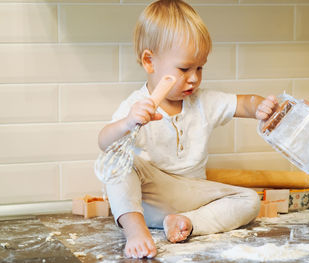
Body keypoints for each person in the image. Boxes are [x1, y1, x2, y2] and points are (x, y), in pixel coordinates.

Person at [97, 0, 278, 259]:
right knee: (118, 160)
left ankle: (186, 223)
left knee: (249, 201)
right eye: (184, 69)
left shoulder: (203, 103)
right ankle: (135, 231)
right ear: (150, 61)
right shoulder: (136, 106)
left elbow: (243, 103)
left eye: (199, 68)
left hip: (194, 196)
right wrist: (127, 123)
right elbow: (104, 142)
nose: (194, 78)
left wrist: (261, 106)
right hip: (148, 200)